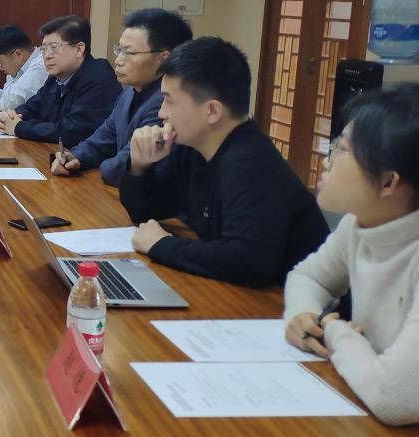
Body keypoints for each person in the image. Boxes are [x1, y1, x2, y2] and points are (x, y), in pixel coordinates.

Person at [120, 37, 329, 287]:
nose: (161, 112)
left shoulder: (250, 162)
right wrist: (140, 166)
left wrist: (162, 245)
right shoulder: (193, 146)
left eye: (169, 100)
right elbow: (145, 212)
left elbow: (250, 260)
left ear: (212, 111)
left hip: (286, 301)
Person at [283, 85, 419, 425]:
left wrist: (333, 330)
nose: (326, 161)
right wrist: (305, 315)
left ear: (388, 182)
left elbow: (394, 397)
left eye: (341, 149)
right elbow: (307, 276)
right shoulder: (358, 226)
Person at [52, 8, 193, 185]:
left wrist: (104, 165)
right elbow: (103, 138)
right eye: (119, 50)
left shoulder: (166, 103)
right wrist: (75, 157)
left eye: (129, 52)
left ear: (164, 59)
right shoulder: (130, 91)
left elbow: (120, 168)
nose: (118, 60)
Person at [0, 15, 120, 145]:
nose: (47, 56)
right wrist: (10, 116)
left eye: (54, 47)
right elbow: (33, 107)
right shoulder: (56, 77)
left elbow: (71, 131)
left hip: (85, 156)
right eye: (44, 49)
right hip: (57, 152)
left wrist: (18, 127)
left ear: (79, 49)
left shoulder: (98, 78)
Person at [0, 25, 47, 112]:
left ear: (18, 54)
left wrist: (0, 99)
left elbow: (9, 104)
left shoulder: (41, 66)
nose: (0, 67)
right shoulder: (18, 68)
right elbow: (9, 98)